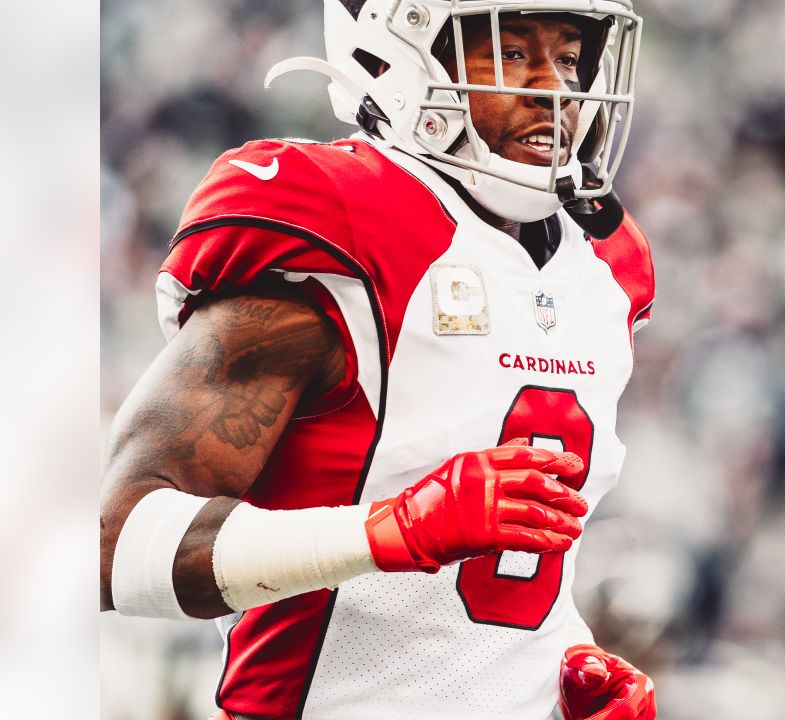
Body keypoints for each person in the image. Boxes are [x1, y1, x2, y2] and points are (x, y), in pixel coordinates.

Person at [99, 1, 656, 719]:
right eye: (511, 53)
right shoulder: (341, 220)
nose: (556, 91)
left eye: (571, 58)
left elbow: (483, 594)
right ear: (400, 55)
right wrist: (393, 530)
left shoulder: (607, 265)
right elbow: (114, 549)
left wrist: (550, 681)